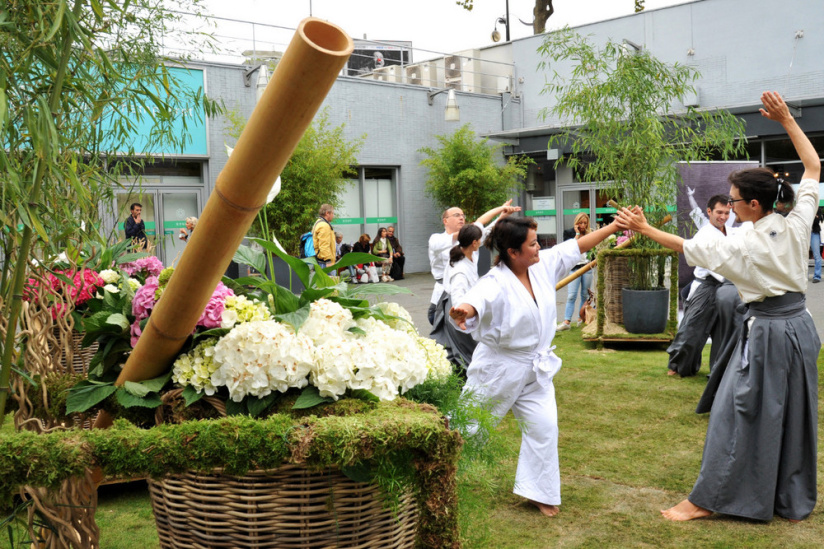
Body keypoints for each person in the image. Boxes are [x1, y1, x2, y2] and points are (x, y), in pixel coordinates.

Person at [616, 91, 821, 523]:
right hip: (802, 328)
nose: (726, 205)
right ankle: (786, 497)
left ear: (752, 204)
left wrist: (643, 227)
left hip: (768, 333)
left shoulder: (742, 243)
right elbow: (814, 166)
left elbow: (686, 246)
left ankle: (706, 500)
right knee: (790, 413)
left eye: (732, 199)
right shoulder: (798, 220)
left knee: (735, 413)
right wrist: (786, 122)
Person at [449, 215, 623, 518]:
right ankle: (433, 472)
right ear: (513, 252)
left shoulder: (540, 265)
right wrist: (465, 309)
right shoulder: (495, 281)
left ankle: (537, 490)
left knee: (544, 428)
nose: (539, 247)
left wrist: (613, 228)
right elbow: (476, 300)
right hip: (498, 369)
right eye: (532, 244)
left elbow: (575, 247)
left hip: (536, 368)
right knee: (470, 429)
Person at [665, 195, 733, 377]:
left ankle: (719, 371)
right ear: (709, 212)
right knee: (691, 330)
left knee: (723, 332)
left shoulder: (731, 232)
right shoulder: (705, 234)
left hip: (725, 287)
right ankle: (677, 365)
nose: (723, 217)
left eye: (727, 213)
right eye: (719, 212)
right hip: (706, 287)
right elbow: (713, 265)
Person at [428, 199, 520, 325]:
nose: (461, 218)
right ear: (445, 221)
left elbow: (486, 231)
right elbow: (479, 225)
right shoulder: (436, 239)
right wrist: (499, 209)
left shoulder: (471, 241)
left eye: (462, 215)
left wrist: (501, 217)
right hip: (442, 302)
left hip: (469, 301)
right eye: (456, 215)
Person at [432, 224, 484, 370]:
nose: (482, 242)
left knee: (462, 349)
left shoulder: (466, 253)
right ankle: (467, 383)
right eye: (480, 240)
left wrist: (501, 215)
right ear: (474, 243)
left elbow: (485, 229)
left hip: (463, 306)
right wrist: (462, 316)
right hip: (457, 310)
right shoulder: (460, 270)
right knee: (464, 351)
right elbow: (457, 297)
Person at [557, 213, 593, 331]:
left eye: (585, 223)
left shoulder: (590, 234)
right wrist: (577, 234)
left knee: (585, 295)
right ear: (576, 223)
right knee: (571, 295)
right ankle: (567, 321)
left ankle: (580, 319)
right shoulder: (569, 233)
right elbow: (569, 248)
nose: (583, 225)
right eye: (580, 223)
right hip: (574, 268)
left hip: (587, 267)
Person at [312, 204, 335, 268]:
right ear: (327, 213)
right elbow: (324, 245)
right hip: (325, 263)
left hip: (321, 261)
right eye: (332, 213)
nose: (333, 216)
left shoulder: (318, 222)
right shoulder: (324, 226)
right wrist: (328, 261)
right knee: (330, 278)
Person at [810, 207, 822, 283]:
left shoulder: (817, 209)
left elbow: (816, 221)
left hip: (814, 233)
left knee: (817, 255)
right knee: (802, 255)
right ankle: (802, 276)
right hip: (804, 233)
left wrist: (813, 217)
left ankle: (817, 276)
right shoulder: (804, 208)